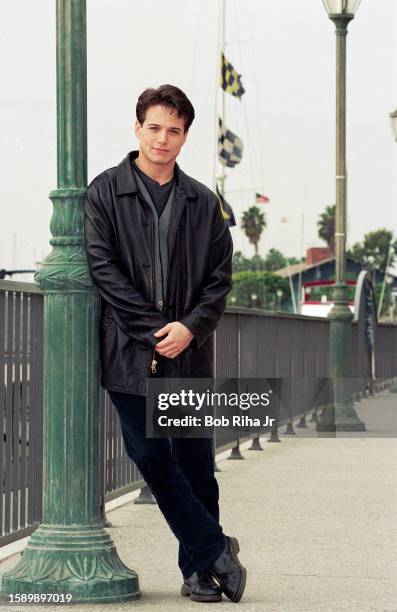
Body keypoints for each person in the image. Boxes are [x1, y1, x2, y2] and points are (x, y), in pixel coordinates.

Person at [84, 84, 246, 603]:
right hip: (130, 355)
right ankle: (214, 546)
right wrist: (157, 330)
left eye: (174, 130)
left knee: (196, 464)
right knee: (152, 458)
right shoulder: (104, 191)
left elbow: (219, 278)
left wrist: (191, 328)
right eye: (154, 127)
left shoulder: (203, 202)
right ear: (138, 128)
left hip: (189, 354)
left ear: (185, 136)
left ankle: (199, 570)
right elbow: (103, 269)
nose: (162, 139)